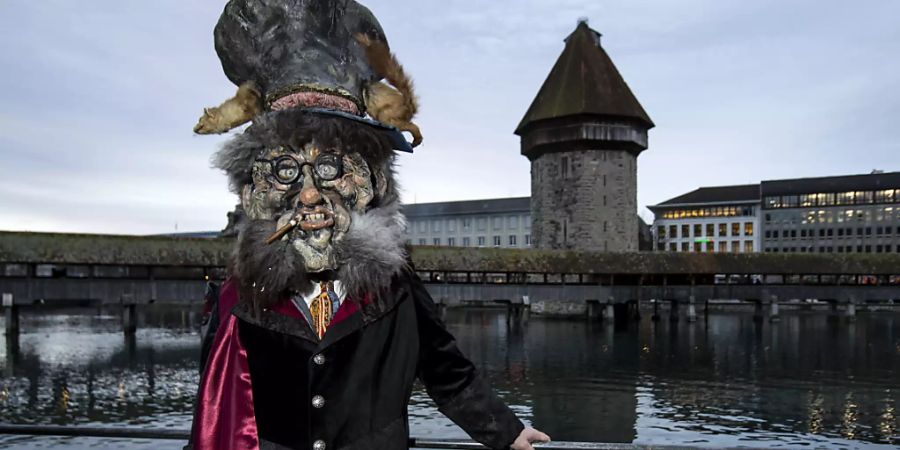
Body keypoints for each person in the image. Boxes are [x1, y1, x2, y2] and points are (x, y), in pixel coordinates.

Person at [188, 2, 550, 449]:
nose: (308, 196)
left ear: (373, 182)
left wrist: (506, 431)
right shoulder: (241, 294)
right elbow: (215, 406)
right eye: (285, 171)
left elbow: (445, 371)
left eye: (331, 169)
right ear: (253, 193)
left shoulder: (395, 287)